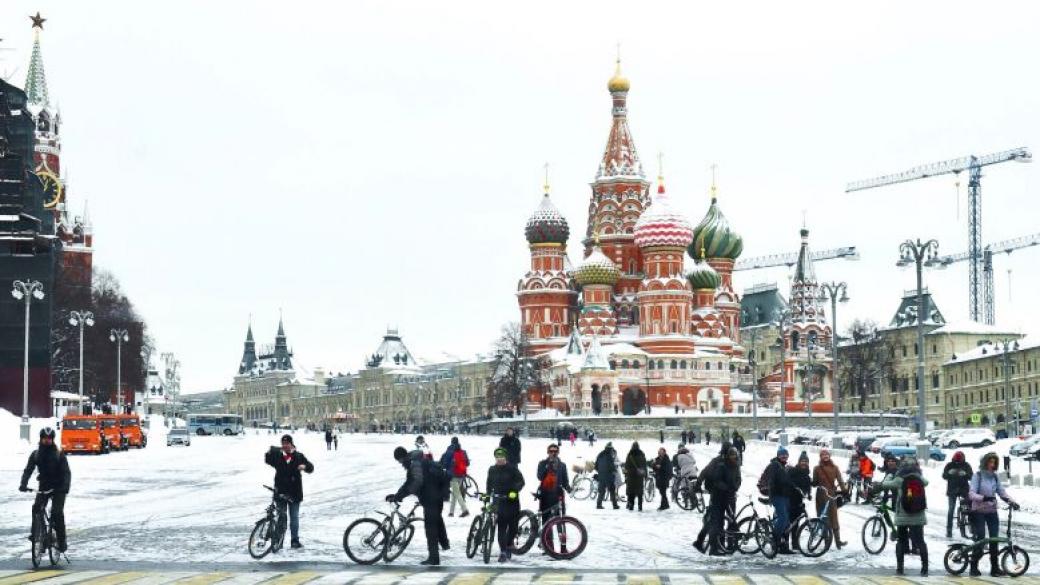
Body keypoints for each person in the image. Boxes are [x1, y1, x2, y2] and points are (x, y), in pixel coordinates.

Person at [389, 445, 449, 565]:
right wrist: (397, 495)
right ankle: (444, 544)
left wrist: (401, 495)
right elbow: (409, 482)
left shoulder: (414, 463)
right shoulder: (416, 462)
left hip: (431, 497)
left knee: (430, 527)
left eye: (399, 460)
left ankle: (434, 558)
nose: (400, 463)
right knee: (436, 520)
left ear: (401, 458)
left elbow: (416, 481)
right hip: (437, 495)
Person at [19, 427, 71, 553]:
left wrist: (65, 487)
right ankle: (37, 533)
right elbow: (28, 470)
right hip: (44, 486)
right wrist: (23, 484)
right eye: (44, 438)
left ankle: (61, 540)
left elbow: (66, 472)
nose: (47, 441)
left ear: (52, 440)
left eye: (49, 439)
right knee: (37, 507)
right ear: (41, 439)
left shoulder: (59, 454)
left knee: (56, 512)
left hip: (59, 487)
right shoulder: (36, 454)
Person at [968, 452, 1020, 577]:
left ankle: (995, 568)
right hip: (978, 511)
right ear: (985, 463)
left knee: (994, 540)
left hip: (991, 512)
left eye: (994, 462)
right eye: (990, 462)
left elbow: (1002, 492)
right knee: (981, 539)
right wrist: (983, 498)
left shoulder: (995, 477)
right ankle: (973, 566)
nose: (992, 464)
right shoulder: (978, 476)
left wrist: (1011, 501)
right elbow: (971, 494)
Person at [264, 434, 314, 549]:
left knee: (294, 518)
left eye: (287, 443)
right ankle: (278, 542)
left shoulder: (299, 456)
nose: (285, 445)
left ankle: (294, 541)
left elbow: (311, 468)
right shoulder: (278, 456)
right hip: (280, 492)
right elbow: (267, 459)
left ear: (292, 444)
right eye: (283, 443)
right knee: (281, 517)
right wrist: (270, 451)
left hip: (294, 492)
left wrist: (304, 467)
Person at [881, 457, 929, 576]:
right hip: (918, 515)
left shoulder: (899, 479)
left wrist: (889, 476)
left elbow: (885, 485)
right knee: (921, 541)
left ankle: (900, 568)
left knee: (901, 541)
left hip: (903, 515)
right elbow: (927, 482)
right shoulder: (919, 479)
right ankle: (924, 568)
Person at [694, 442, 741, 555]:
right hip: (718, 495)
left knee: (726, 520)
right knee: (717, 522)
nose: (732, 454)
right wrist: (698, 484)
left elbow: (738, 477)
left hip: (727, 495)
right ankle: (716, 546)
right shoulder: (718, 462)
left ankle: (726, 545)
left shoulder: (732, 462)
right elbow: (710, 476)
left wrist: (734, 487)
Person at [487, 447, 525, 563]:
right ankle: (503, 551)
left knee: (513, 527)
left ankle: (509, 544)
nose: (500, 460)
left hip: (512, 501)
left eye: (502, 457)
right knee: (502, 527)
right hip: (499, 501)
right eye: (498, 458)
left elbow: (521, 481)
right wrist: (488, 495)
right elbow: (489, 483)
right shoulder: (492, 469)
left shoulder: (512, 469)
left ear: (505, 458)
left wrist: (514, 490)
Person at [811, 448, 848, 549]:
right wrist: (813, 483)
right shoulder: (816, 468)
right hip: (821, 495)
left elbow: (840, 480)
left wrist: (844, 490)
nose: (825, 456)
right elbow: (814, 482)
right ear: (820, 457)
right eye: (823, 455)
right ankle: (826, 540)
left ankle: (838, 541)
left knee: (834, 517)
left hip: (831, 495)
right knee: (823, 517)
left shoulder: (835, 468)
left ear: (829, 455)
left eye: (826, 454)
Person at [536, 444, 570, 543]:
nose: (553, 453)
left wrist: (569, 489)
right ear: (548, 452)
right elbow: (540, 477)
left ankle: (563, 545)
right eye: (551, 451)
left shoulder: (562, 465)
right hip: (545, 495)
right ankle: (547, 545)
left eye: (555, 451)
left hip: (558, 494)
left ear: (558, 452)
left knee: (560, 519)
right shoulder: (542, 463)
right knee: (546, 521)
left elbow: (565, 481)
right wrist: (547, 467)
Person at [765, 447, 794, 554]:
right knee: (783, 518)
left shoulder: (784, 466)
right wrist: (771, 494)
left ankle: (783, 545)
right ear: (778, 455)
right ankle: (775, 538)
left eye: (786, 455)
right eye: (782, 455)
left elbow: (787, 481)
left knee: (786, 521)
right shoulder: (775, 465)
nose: (784, 456)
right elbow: (772, 481)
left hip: (785, 496)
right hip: (777, 496)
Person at [942, 451, 972, 538]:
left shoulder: (966, 465)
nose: (958, 463)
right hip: (952, 490)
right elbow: (944, 476)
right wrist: (949, 473)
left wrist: (965, 474)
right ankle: (949, 530)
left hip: (964, 490)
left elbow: (971, 476)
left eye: (959, 461)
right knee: (951, 510)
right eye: (956, 461)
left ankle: (970, 526)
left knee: (968, 509)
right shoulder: (949, 465)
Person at [787, 451, 812, 549]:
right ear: (799, 462)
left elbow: (808, 486)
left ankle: (794, 543)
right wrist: (795, 487)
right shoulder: (793, 471)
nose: (804, 463)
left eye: (806, 461)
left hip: (799, 500)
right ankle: (784, 542)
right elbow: (788, 481)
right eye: (802, 461)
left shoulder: (807, 474)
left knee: (796, 523)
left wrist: (809, 494)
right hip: (790, 499)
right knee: (789, 522)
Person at [441, 437, 471, 517]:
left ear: (451, 442)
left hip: (452, 475)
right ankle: (451, 512)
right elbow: (467, 463)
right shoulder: (463, 452)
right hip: (461, 475)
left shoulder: (449, 451)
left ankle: (464, 510)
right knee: (455, 493)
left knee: (457, 493)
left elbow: (444, 463)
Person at [595, 442, 620, 509]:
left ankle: (598, 504)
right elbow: (611, 466)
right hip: (608, 476)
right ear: (610, 449)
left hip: (601, 475)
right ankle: (615, 505)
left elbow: (596, 466)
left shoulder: (600, 454)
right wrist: (614, 470)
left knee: (602, 491)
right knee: (612, 490)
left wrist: (600, 471)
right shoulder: (609, 455)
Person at [623, 442, 648, 511]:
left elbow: (626, 466)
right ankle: (640, 506)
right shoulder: (641, 454)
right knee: (639, 492)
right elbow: (644, 465)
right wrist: (645, 475)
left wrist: (626, 475)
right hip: (639, 476)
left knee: (631, 492)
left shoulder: (630, 454)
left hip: (631, 476)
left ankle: (631, 506)